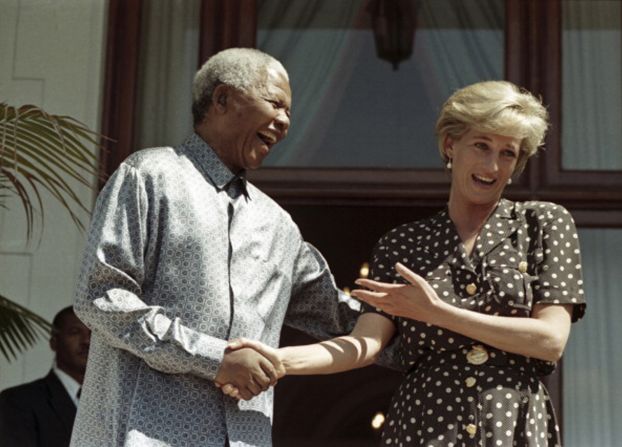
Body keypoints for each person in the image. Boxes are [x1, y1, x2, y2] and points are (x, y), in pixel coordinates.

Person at [224, 81, 586, 446]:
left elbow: (550, 340)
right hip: (425, 425)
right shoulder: (403, 244)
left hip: (514, 425)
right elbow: (365, 344)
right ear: (451, 145)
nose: (492, 165)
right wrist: (280, 361)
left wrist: (437, 312)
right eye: (481, 145)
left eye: (508, 153)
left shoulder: (545, 223)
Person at [70, 47, 362, 447]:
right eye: (275, 103)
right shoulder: (149, 176)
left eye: (289, 112)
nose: (284, 121)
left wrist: (438, 321)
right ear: (222, 98)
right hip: (138, 434)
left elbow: (346, 319)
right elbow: (100, 297)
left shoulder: (279, 226)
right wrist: (214, 358)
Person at [0, 306, 91, 447]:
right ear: (54, 343)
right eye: (75, 332)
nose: (87, 341)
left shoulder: (113, 403)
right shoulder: (18, 400)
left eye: (93, 334)